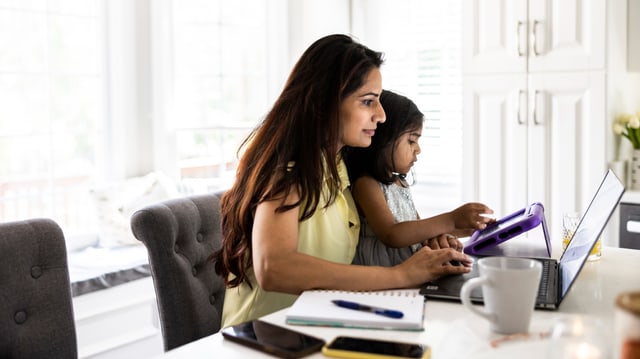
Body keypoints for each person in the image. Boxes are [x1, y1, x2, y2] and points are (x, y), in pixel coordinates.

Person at [212, 34, 475, 328]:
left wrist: (427, 242)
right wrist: (402, 275)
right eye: (368, 101)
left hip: (316, 324)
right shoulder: (288, 173)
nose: (381, 115)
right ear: (323, 103)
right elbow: (274, 268)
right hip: (264, 336)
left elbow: (381, 235)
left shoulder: (338, 167)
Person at [345, 89, 495, 266]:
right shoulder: (367, 184)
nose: (418, 149)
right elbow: (392, 234)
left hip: (407, 268)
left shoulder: (400, 183)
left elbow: (417, 229)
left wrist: (457, 230)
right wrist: (451, 220)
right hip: (380, 275)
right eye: (411, 141)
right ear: (383, 139)